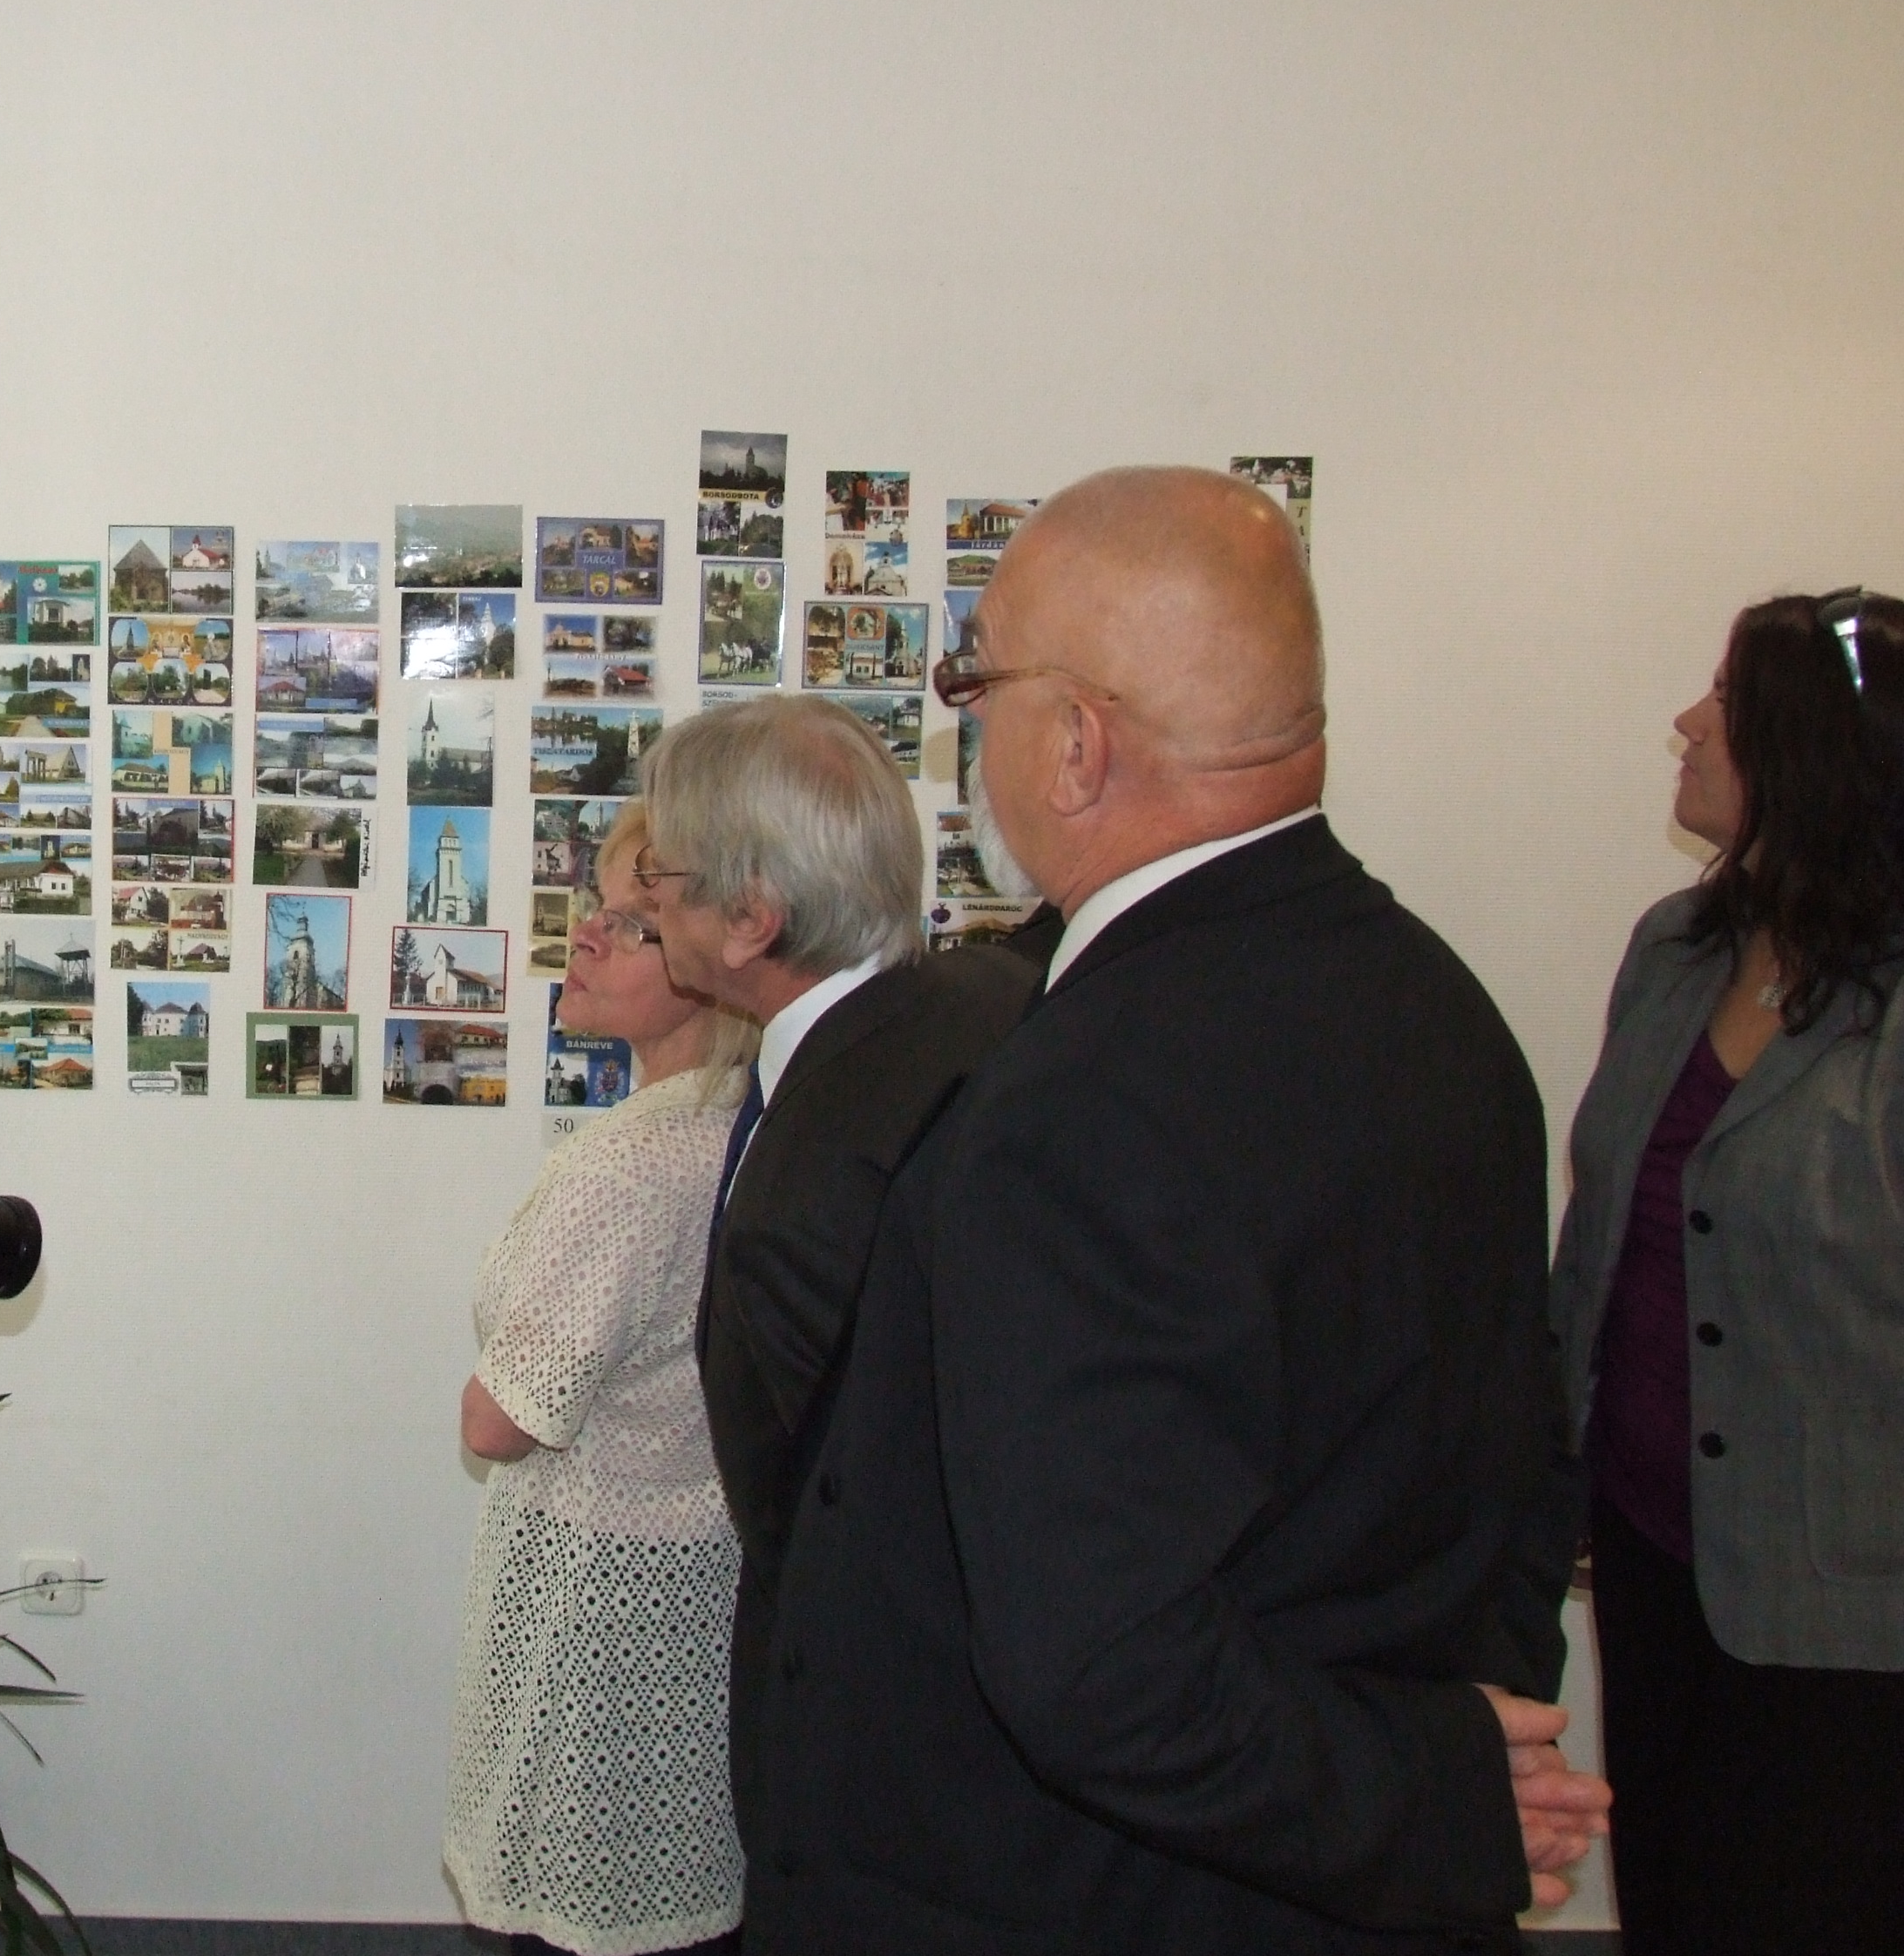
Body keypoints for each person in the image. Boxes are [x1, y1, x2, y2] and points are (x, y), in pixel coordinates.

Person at [738, 467, 1605, 1953]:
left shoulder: (1084, 1098)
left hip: (1092, 1895)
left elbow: (1100, 1670)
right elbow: (1520, 1465)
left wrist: (1435, 1790)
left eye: (976, 686)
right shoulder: (1444, 1011)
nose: (970, 732)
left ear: (1077, 744)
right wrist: (1465, 1741)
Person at [1547, 586, 1904, 1954]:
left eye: (1728, 704)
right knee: (1675, 1899)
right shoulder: (1675, 948)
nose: (1687, 723)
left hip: (1846, 1613)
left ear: (1812, 758)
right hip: (1652, 1551)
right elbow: (1604, 1237)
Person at [628, 694, 1037, 1840]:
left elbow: (816, 1498)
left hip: (890, 1753)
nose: (646, 898)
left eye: (663, 873)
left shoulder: (817, 1167)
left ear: (751, 919)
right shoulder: (987, 1003)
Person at [444, 805, 758, 1956]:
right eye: (597, 910)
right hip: (704, 1580)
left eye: (635, 924)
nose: (585, 936)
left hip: (600, 1607)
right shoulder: (747, 1127)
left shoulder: (627, 1164)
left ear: (709, 961)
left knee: (582, 1905)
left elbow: (499, 1421)